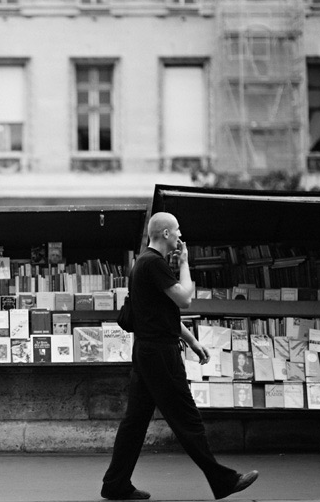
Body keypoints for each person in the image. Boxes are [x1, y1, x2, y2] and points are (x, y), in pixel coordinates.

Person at [101, 212, 259, 500]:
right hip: (160, 354)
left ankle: (115, 483)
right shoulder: (154, 264)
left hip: (147, 351)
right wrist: (185, 264)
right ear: (164, 234)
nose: (180, 235)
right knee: (187, 418)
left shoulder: (142, 265)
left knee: (134, 422)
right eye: (176, 231)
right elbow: (185, 299)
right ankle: (222, 481)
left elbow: (164, 314)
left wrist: (193, 342)